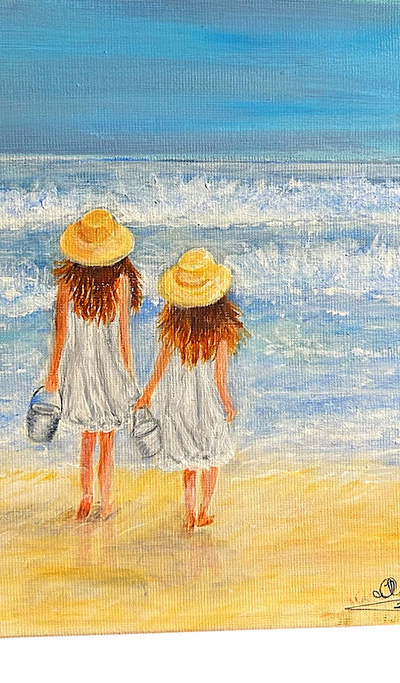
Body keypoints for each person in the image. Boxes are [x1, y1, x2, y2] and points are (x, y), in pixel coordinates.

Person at [135, 249, 248, 532]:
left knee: (188, 462)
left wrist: (148, 393)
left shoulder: (174, 329)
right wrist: (228, 404)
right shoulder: (221, 331)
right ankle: (204, 510)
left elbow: (160, 364)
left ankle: (188, 514)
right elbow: (219, 377)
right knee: (210, 460)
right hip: (208, 404)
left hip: (178, 403)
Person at [45, 209, 142, 521]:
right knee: (107, 442)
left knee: (86, 439)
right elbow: (123, 336)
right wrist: (129, 376)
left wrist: (53, 375)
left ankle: (86, 497)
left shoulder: (67, 283)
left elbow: (61, 334)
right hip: (109, 368)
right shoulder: (121, 282)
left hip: (80, 369)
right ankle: (107, 500)